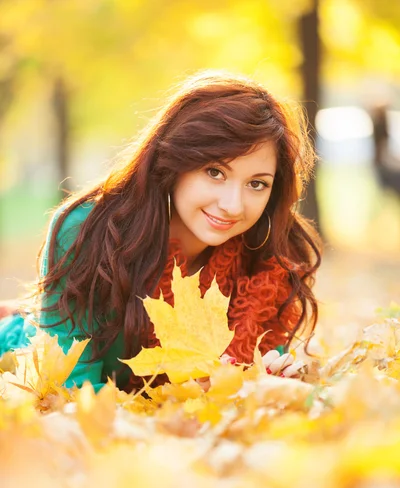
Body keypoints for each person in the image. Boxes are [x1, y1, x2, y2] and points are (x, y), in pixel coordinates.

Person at [0, 71, 322, 393]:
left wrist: (272, 380)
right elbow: (67, 391)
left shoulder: (270, 260)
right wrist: (190, 397)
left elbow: (251, 384)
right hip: (20, 358)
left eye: (256, 183)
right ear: (173, 161)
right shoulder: (90, 230)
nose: (233, 205)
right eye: (215, 172)